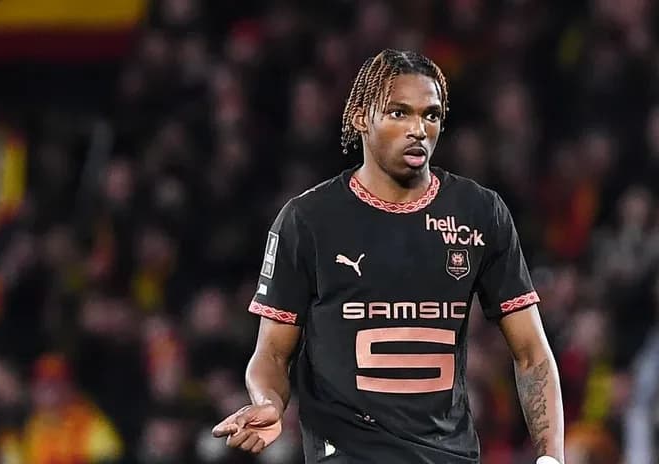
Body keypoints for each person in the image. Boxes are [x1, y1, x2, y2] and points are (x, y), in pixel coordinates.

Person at [212, 49, 565, 463]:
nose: (418, 129)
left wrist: (550, 457)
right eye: (399, 113)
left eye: (430, 115)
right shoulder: (308, 220)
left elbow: (532, 353)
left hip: (448, 456)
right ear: (361, 116)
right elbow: (271, 352)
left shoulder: (480, 213)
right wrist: (269, 401)